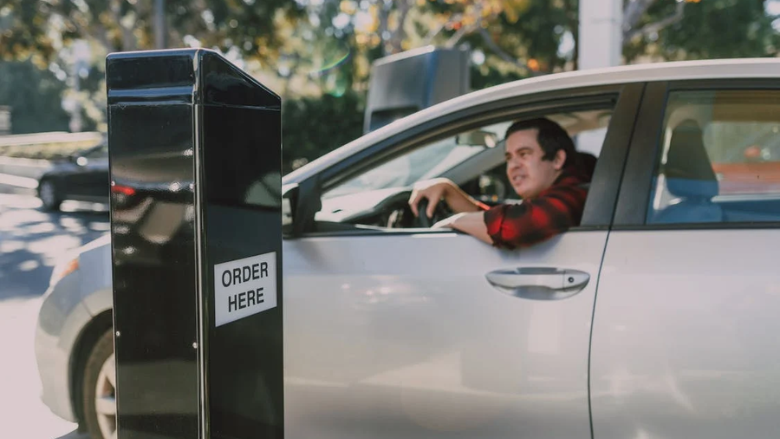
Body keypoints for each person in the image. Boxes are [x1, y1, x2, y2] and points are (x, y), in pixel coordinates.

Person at [408, 117, 594, 249]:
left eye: (524, 154)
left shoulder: (575, 194)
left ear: (557, 159)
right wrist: (448, 190)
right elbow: (497, 221)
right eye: (509, 158)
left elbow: (518, 225)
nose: (513, 166)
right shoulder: (555, 193)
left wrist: (453, 222)